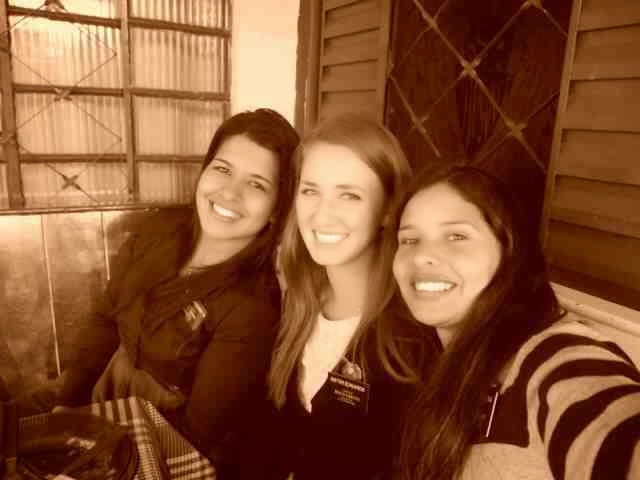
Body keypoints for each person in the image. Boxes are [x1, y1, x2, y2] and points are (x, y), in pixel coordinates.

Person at [31, 108, 299, 477]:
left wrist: (94, 440)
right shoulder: (158, 231)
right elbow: (106, 319)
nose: (229, 192)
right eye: (222, 169)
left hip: (167, 439)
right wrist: (69, 401)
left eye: (257, 184)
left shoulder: (252, 305)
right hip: (104, 384)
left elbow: (200, 433)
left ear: (276, 210)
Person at [391, 165, 640, 479]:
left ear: (509, 249)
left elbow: (609, 426)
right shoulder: (421, 355)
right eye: (409, 240)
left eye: (456, 236)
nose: (421, 256)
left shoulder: (552, 353)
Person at [265, 113, 440, 480]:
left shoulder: (412, 334)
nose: (322, 214)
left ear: (389, 209)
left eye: (349, 195)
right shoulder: (299, 301)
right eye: (310, 191)